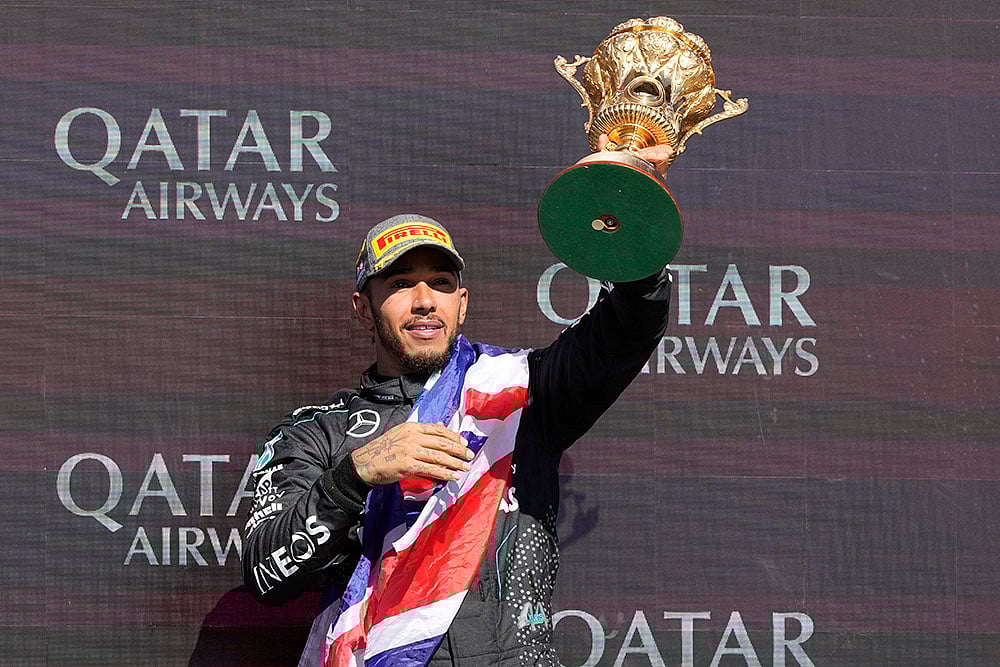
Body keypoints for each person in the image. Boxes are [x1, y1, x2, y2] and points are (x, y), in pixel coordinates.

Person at [242, 141, 674, 666]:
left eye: (441, 284)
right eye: (401, 284)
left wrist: (623, 204)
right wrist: (356, 475)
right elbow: (267, 573)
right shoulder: (315, 432)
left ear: (461, 304)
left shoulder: (524, 391)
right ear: (363, 307)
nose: (425, 300)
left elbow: (627, 328)